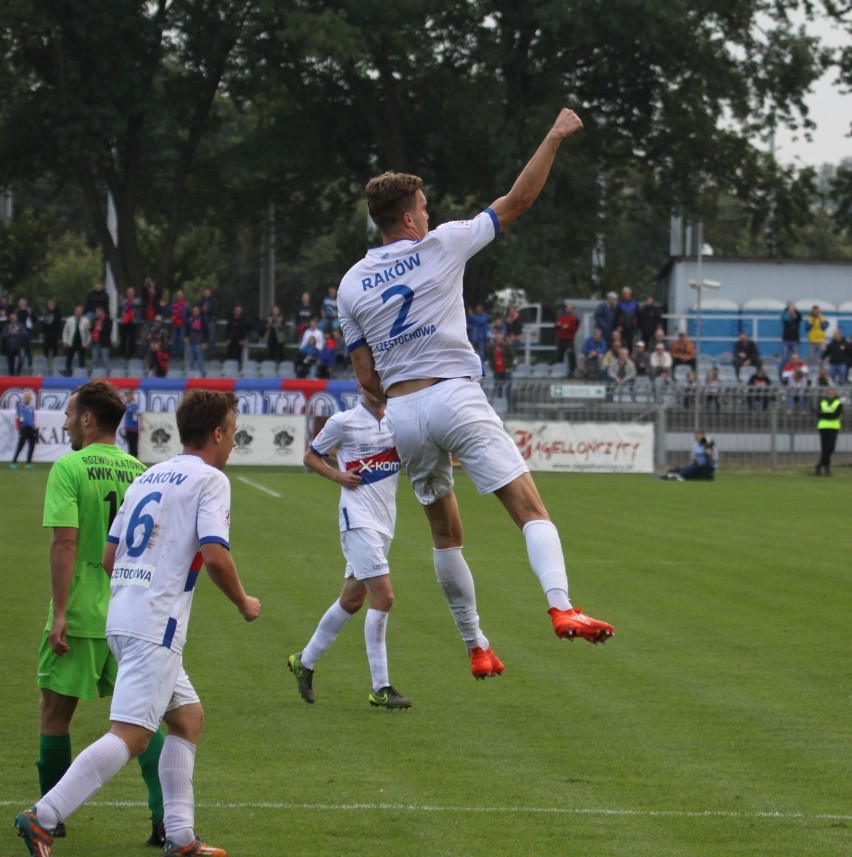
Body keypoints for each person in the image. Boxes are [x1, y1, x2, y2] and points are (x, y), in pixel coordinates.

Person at [337, 107, 614, 680]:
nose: (429, 215)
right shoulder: (441, 244)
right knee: (529, 509)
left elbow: (365, 377)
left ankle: (477, 645)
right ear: (411, 217)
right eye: (425, 209)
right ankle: (562, 606)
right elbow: (518, 201)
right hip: (454, 395)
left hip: (405, 413)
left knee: (445, 533)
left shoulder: (351, 284)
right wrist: (555, 135)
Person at [14, 389, 261, 857]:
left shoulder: (151, 475)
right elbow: (215, 555)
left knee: (188, 719)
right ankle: (43, 816)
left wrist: (137, 588)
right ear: (216, 433)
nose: (233, 442)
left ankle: (181, 837)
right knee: (132, 734)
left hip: (122, 613)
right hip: (155, 624)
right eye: (232, 432)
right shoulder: (210, 479)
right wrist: (243, 602)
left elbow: (110, 556)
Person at [21, 380, 165, 848]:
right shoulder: (142, 471)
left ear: (87, 419)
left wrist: (60, 611)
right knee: (143, 721)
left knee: (55, 713)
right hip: (132, 609)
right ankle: (164, 818)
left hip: (82, 610)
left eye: (68, 414)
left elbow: (65, 541)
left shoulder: (68, 468)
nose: (63, 422)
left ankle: (51, 816)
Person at [288, 388, 410, 709]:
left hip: (384, 523)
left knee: (352, 600)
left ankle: (305, 661)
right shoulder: (343, 422)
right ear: (360, 386)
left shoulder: (399, 421)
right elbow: (311, 456)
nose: (377, 385)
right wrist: (338, 475)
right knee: (383, 597)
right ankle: (380, 687)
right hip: (357, 521)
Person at [815, 387, 842, 476]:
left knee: (830, 447)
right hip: (823, 427)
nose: (830, 395)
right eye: (829, 393)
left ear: (835, 394)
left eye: (832, 393)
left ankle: (819, 465)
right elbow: (818, 414)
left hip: (833, 427)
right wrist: (827, 414)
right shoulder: (822, 402)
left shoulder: (838, 403)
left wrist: (824, 414)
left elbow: (835, 415)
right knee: (824, 448)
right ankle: (826, 468)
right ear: (827, 394)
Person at [11, 389, 38, 468]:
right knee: (20, 446)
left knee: (32, 446)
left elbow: (33, 418)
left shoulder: (31, 408)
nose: (27, 399)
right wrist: (19, 429)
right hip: (24, 428)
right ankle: (14, 462)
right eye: (26, 398)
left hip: (31, 429)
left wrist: (34, 426)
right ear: (23, 398)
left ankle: (28, 463)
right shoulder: (20, 407)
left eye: (29, 398)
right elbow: (17, 418)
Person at [486, 332, 514, 403]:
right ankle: (499, 404)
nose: (499, 339)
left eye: (500, 338)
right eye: (497, 338)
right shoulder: (492, 347)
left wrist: (509, 366)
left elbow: (511, 356)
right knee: (498, 388)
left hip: (506, 370)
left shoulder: (507, 346)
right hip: (496, 370)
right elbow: (489, 356)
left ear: (502, 339)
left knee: (508, 388)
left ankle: (510, 405)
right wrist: (491, 366)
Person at [61, 307, 91, 375]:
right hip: (71, 342)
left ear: (82, 312)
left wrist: (88, 342)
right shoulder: (69, 320)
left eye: (80, 311)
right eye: (77, 311)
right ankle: (67, 371)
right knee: (69, 358)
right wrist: (65, 341)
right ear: (75, 312)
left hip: (82, 343)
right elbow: (65, 331)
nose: (78, 313)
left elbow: (88, 333)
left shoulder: (86, 321)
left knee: (82, 358)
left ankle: (82, 372)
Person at [554, 301, 579, 374]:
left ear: (572, 309)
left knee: (570, 355)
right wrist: (557, 325)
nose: (569, 310)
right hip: (561, 339)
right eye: (567, 308)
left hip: (569, 340)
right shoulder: (561, 317)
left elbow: (575, 329)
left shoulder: (575, 319)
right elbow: (555, 328)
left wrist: (568, 327)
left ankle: (572, 371)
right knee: (559, 355)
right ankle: (558, 371)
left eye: (570, 308)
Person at [184, 304, 207, 377]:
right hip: (191, 342)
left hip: (199, 343)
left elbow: (206, 332)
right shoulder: (190, 320)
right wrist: (186, 337)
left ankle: (202, 373)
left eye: (196, 311)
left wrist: (204, 342)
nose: (195, 312)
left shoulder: (202, 320)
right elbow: (187, 330)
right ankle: (191, 374)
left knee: (200, 359)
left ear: (199, 312)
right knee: (190, 360)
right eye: (194, 311)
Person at [118, 288, 140, 361]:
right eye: (128, 292)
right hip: (124, 321)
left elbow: (137, 303)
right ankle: (122, 353)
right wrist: (121, 300)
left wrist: (128, 302)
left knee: (132, 338)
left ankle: (131, 354)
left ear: (134, 293)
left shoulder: (137, 300)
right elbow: (120, 305)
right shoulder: (124, 301)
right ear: (126, 293)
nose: (130, 294)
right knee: (123, 338)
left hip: (133, 322)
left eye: (131, 292)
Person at [90, 306, 112, 375]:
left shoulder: (108, 320)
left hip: (104, 343)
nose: (96, 313)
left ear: (101, 312)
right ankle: (94, 375)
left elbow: (108, 330)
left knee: (105, 360)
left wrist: (101, 329)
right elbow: (92, 330)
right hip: (95, 342)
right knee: (94, 360)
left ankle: (108, 375)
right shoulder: (95, 320)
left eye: (97, 312)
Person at [167, 290, 188, 363]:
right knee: (174, 340)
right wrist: (164, 306)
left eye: (180, 294)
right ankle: (174, 356)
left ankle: (180, 356)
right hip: (174, 324)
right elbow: (168, 309)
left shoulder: (186, 303)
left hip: (182, 324)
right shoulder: (174, 303)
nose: (179, 296)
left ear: (183, 295)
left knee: (180, 340)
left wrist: (187, 308)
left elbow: (190, 310)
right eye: (177, 294)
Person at [225, 305, 247, 369]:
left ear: (241, 312)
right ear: (234, 311)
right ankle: (229, 368)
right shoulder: (230, 319)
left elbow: (244, 331)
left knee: (238, 355)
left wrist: (242, 339)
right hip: (231, 339)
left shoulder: (243, 320)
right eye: (236, 310)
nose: (237, 311)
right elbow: (227, 329)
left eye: (239, 310)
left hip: (239, 340)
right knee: (230, 355)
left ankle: (238, 369)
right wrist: (227, 338)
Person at [780, 301, 802, 366]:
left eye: (792, 310)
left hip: (795, 340)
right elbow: (782, 316)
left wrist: (795, 309)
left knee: (796, 356)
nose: (791, 311)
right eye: (790, 310)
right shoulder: (785, 318)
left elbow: (800, 317)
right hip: (786, 340)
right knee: (785, 356)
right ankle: (785, 368)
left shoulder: (796, 319)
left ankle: (796, 369)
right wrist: (786, 308)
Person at [122, 389, 140, 459]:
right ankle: (131, 456)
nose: (127, 398)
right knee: (129, 443)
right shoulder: (127, 405)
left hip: (134, 428)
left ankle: (135, 456)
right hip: (128, 427)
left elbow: (139, 415)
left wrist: (141, 424)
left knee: (134, 443)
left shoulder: (134, 405)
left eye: (129, 396)